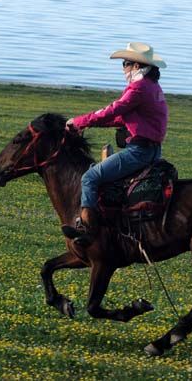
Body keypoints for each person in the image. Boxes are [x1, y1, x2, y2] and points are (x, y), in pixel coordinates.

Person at [62, 42, 168, 246]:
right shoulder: (152, 87)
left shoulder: (138, 88)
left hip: (140, 151)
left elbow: (112, 110)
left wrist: (79, 121)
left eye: (126, 64)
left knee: (90, 177)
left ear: (137, 66)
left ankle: (87, 229)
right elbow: (121, 118)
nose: (124, 69)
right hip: (152, 150)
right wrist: (89, 124)